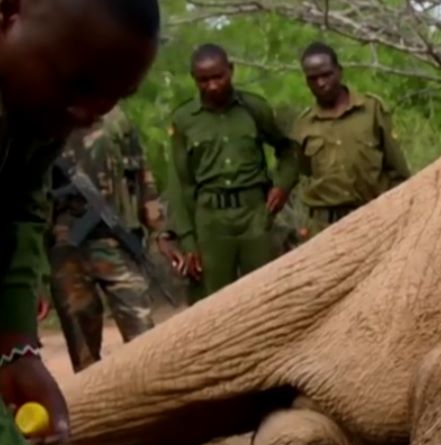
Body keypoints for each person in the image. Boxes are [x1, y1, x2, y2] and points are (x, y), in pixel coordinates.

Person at [0, 0, 162, 445]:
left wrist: (15, 346)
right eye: (77, 85)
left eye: (111, 97)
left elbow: (17, 204)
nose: (89, 113)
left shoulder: (36, 106)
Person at [161, 43, 300, 300]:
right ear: (194, 79)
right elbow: (181, 184)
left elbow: (288, 150)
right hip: (211, 220)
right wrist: (188, 239)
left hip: (254, 215)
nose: (212, 85)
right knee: (213, 300)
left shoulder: (254, 108)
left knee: (263, 295)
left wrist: (282, 185)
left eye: (218, 77)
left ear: (231, 71)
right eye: (204, 80)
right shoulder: (184, 119)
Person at [47, 104, 162, 374]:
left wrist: (158, 227)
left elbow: (142, 172)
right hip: (65, 244)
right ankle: (92, 406)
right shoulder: (45, 115)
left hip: (115, 239)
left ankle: (153, 395)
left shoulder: (117, 117)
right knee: (82, 341)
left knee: (143, 331)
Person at [292, 41, 411, 230]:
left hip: (373, 218)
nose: (321, 83)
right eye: (313, 78)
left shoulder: (371, 110)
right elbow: (305, 172)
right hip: (326, 226)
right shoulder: (304, 125)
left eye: (326, 75)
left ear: (339, 71)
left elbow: (397, 170)